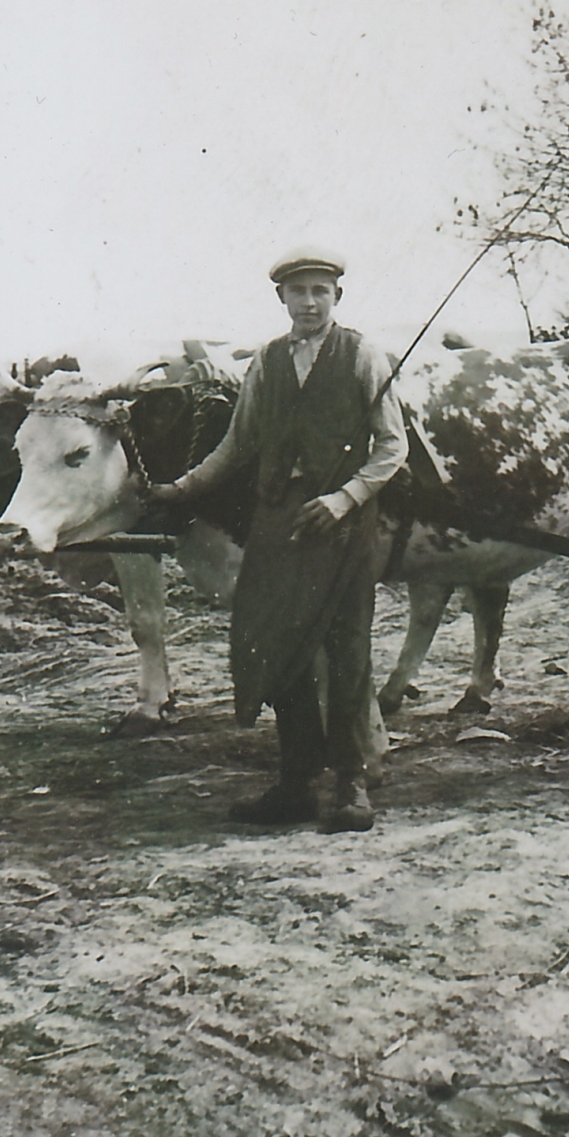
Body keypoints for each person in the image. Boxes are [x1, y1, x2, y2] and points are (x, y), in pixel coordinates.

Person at [151, 247, 408, 832]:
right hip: (278, 522)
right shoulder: (266, 362)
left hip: (339, 524)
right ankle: (295, 785)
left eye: (321, 290)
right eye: (299, 292)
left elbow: (393, 447)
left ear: (336, 297)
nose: (310, 302)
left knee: (346, 653)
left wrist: (345, 498)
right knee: (277, 648)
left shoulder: (363, 354)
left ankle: (350, 786)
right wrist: (183, 488)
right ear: (282, 299)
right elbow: (238, 445)